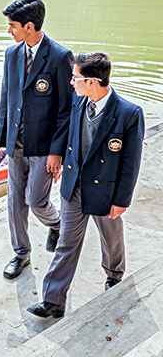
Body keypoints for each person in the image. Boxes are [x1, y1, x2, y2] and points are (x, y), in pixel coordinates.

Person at [27, 52, 145, 318]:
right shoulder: (79, 102)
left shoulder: (128, 114)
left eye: (76, 77)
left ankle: (114, 275)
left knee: (111, 236)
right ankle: (53, 300)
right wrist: (60, 160)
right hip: (74, 186)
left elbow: (131, 163)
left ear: (92, 81)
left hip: (106, 191)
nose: (71, 82)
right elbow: (69, 135)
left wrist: (122, 200)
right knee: (67, 241)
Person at [0, 0, 73, 279]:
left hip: (44, 147)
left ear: (30, 26)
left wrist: (57, 152)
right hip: (16, 145)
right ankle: (21, 254)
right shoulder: (12, 55)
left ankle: (57, 223)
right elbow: (6, 99)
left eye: (12, 25)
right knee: (15, 203)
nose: (8, 31)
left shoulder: (60, 57)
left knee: (36, 200)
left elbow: (65, 111)